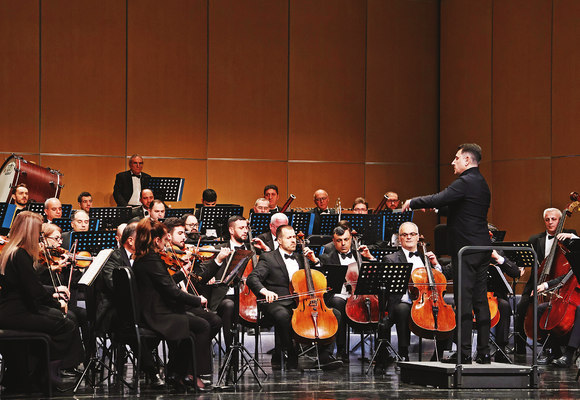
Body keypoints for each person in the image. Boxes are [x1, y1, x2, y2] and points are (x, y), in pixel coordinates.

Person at [402, 143, 492, 364]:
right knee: (480, 301)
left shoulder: (465, 181)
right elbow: (462, 208)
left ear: (467, 160)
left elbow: (440, 197)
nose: (453, 162)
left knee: (464, 301)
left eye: (456, 158)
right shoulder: (481, 183)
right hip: (482, 248)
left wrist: (413, 202)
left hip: (466, 250)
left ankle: (463, 353)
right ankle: (483, 352)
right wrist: (436, 208)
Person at [0, 212, 79, 392]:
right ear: (29, 232)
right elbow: (34, 290)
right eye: (38, 231)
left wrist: (53, 295)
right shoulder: (20, 254)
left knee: (60, 319)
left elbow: (28, 286)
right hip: (16, 313)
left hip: (11, 309)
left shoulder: (10, 251)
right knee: (66, 325)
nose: (39, 236)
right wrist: (57, 304)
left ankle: (38, 375)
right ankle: (45, 375)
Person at [247, 225, 343, 370]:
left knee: (335, 314)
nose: (293, 240)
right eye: (289, 237)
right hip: (278, 302)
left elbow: (318, 278)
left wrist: (315, 261)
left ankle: (325, 354)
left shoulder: (301, 258)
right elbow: (253, 278)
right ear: (279, 240)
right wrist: (265, 291)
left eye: (294, 237)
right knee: (282, 315)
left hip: (302, 303)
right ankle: (290, 350)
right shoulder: (268, 257)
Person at [132, 219, 213, 392]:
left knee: (191, 330)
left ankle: (177, 373)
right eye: (164, 239)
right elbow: (171, 291)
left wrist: (181, 274)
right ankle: (188, 373)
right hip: (156, 314)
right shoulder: (152, 259)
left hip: (152, 310)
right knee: (203, 326)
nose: (166, 242)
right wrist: (197, 300)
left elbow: (163, 282)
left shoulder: (144, 257)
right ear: (156, 240)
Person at [514, 208, 578, 357]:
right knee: (522, 306)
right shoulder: (535, 239)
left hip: (561, 282)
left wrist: (572, 237)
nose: (550, 222)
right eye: (547, 219)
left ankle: (554, 348)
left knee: (551, 310)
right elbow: (526, 259)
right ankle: (519, 348)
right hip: (538, 280)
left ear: (559, 220)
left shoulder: (569, 235)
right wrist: (521, 266)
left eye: (554, 219)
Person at [380, 222, 443, 365]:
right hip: (404, 302)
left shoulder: (425, 258)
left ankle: (438, 354)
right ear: (399, 238)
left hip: (425, 303)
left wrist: (435, 265)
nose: (409, 237)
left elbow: (440, 281)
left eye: (412, 234)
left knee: (448, 314)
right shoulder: (391, 259)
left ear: (418, 237)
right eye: (404, 234)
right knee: (402, 309)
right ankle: (403, 353)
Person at [317, 225, 376, 364]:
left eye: (346, 239)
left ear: (351, 240)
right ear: (333, 241)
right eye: (339, 240)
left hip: (358, 296)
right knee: (338, 303)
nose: (343, 243)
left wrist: (370, 258)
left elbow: (375, 273)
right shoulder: (326, 258)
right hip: (339, 295)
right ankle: (341, 349)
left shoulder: (360, 255)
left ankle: (380, 352)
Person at [194, 216, 246, 352]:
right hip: (223, 296)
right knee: (229, 306)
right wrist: (210, 275)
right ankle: (230, 350)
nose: (245, 230)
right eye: (241, 228)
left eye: (246, 227)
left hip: (246, 295)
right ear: (231, 230)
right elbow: (202, 271)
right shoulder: (217, 249)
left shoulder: (252, 250)